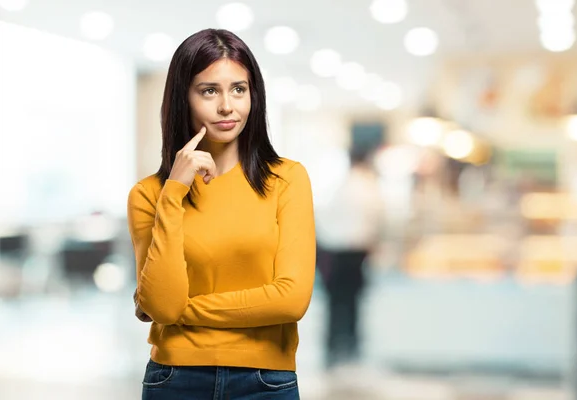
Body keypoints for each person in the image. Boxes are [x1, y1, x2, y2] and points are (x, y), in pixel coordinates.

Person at [127, 28, 316, 400]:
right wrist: (174, 193)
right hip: (175, 379)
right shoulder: (150, 195)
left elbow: (291, 300)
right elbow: (162, 304)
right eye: (209, 90)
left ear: (253, 97)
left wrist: (183, 311)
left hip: (266, 381)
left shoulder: (286, 179)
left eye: (239, 89)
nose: (227, 106)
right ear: (184, 98)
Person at [315, 146, 384, 370]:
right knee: (351, 303)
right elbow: (378, 219)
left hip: (335, 252)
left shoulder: (343, 186)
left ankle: (335, 348)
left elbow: (326, 218)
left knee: (336, 303)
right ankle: (349, 347)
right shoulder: (368, 185)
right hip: (355, 253)